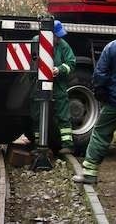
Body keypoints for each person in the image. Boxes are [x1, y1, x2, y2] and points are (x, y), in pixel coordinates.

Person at [73, 12, 116, 197]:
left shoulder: (113, 47)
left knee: (100, 133)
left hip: (115, 101)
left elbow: (100, 74)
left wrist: (102, 93)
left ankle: (90, 173)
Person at [31, 20, 76, 153]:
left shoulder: (63, 45)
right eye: (57, 36)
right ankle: (38, 143)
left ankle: (68, 144)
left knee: (63, 114)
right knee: (36, 113)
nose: (59, 38)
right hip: (38, 83)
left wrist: (59, 69)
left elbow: (71, 63)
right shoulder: (36, 41)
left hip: (58, 85)